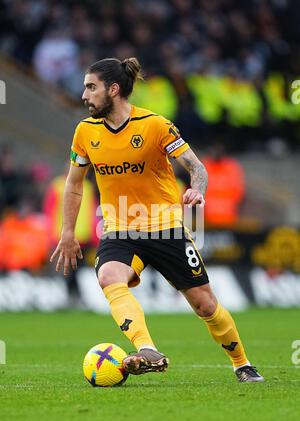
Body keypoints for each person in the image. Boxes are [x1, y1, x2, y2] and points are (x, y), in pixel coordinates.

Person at [50, 57, 264, 382]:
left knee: (205, 306)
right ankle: (147, 349)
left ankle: (242, 363)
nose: (84, 95)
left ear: (114, 89)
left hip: (165, 229)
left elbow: (197, 167)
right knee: (109, 276)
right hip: (119, 229)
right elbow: (74, 184)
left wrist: (197, 190)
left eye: (91, 87)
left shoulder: (155, 125)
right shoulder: (84, 132)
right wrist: (67, 231)